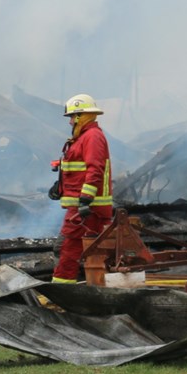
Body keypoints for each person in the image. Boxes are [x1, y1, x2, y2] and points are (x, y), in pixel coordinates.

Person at [50, 93, 113, 284]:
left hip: (87, 208)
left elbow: (95, 168)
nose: (70, 122)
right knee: (82, 248)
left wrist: (86, 199)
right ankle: (94, 285)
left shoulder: (92, 137)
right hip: (83, 207)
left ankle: (62, 290)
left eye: (72, 117)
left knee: (67, 247)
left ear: (81, 116)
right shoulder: (84, 137)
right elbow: (78, 169)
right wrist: (59, 186)